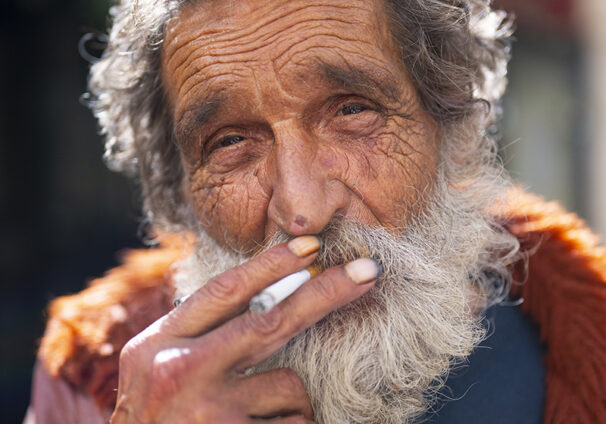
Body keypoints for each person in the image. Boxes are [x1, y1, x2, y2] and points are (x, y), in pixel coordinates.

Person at [24, 0, 606, 423]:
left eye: (352, 110)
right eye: (230, 142)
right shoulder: (90, 376)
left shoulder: (590, 341)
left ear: (449, 127)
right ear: (181, 194)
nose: (302, 211)